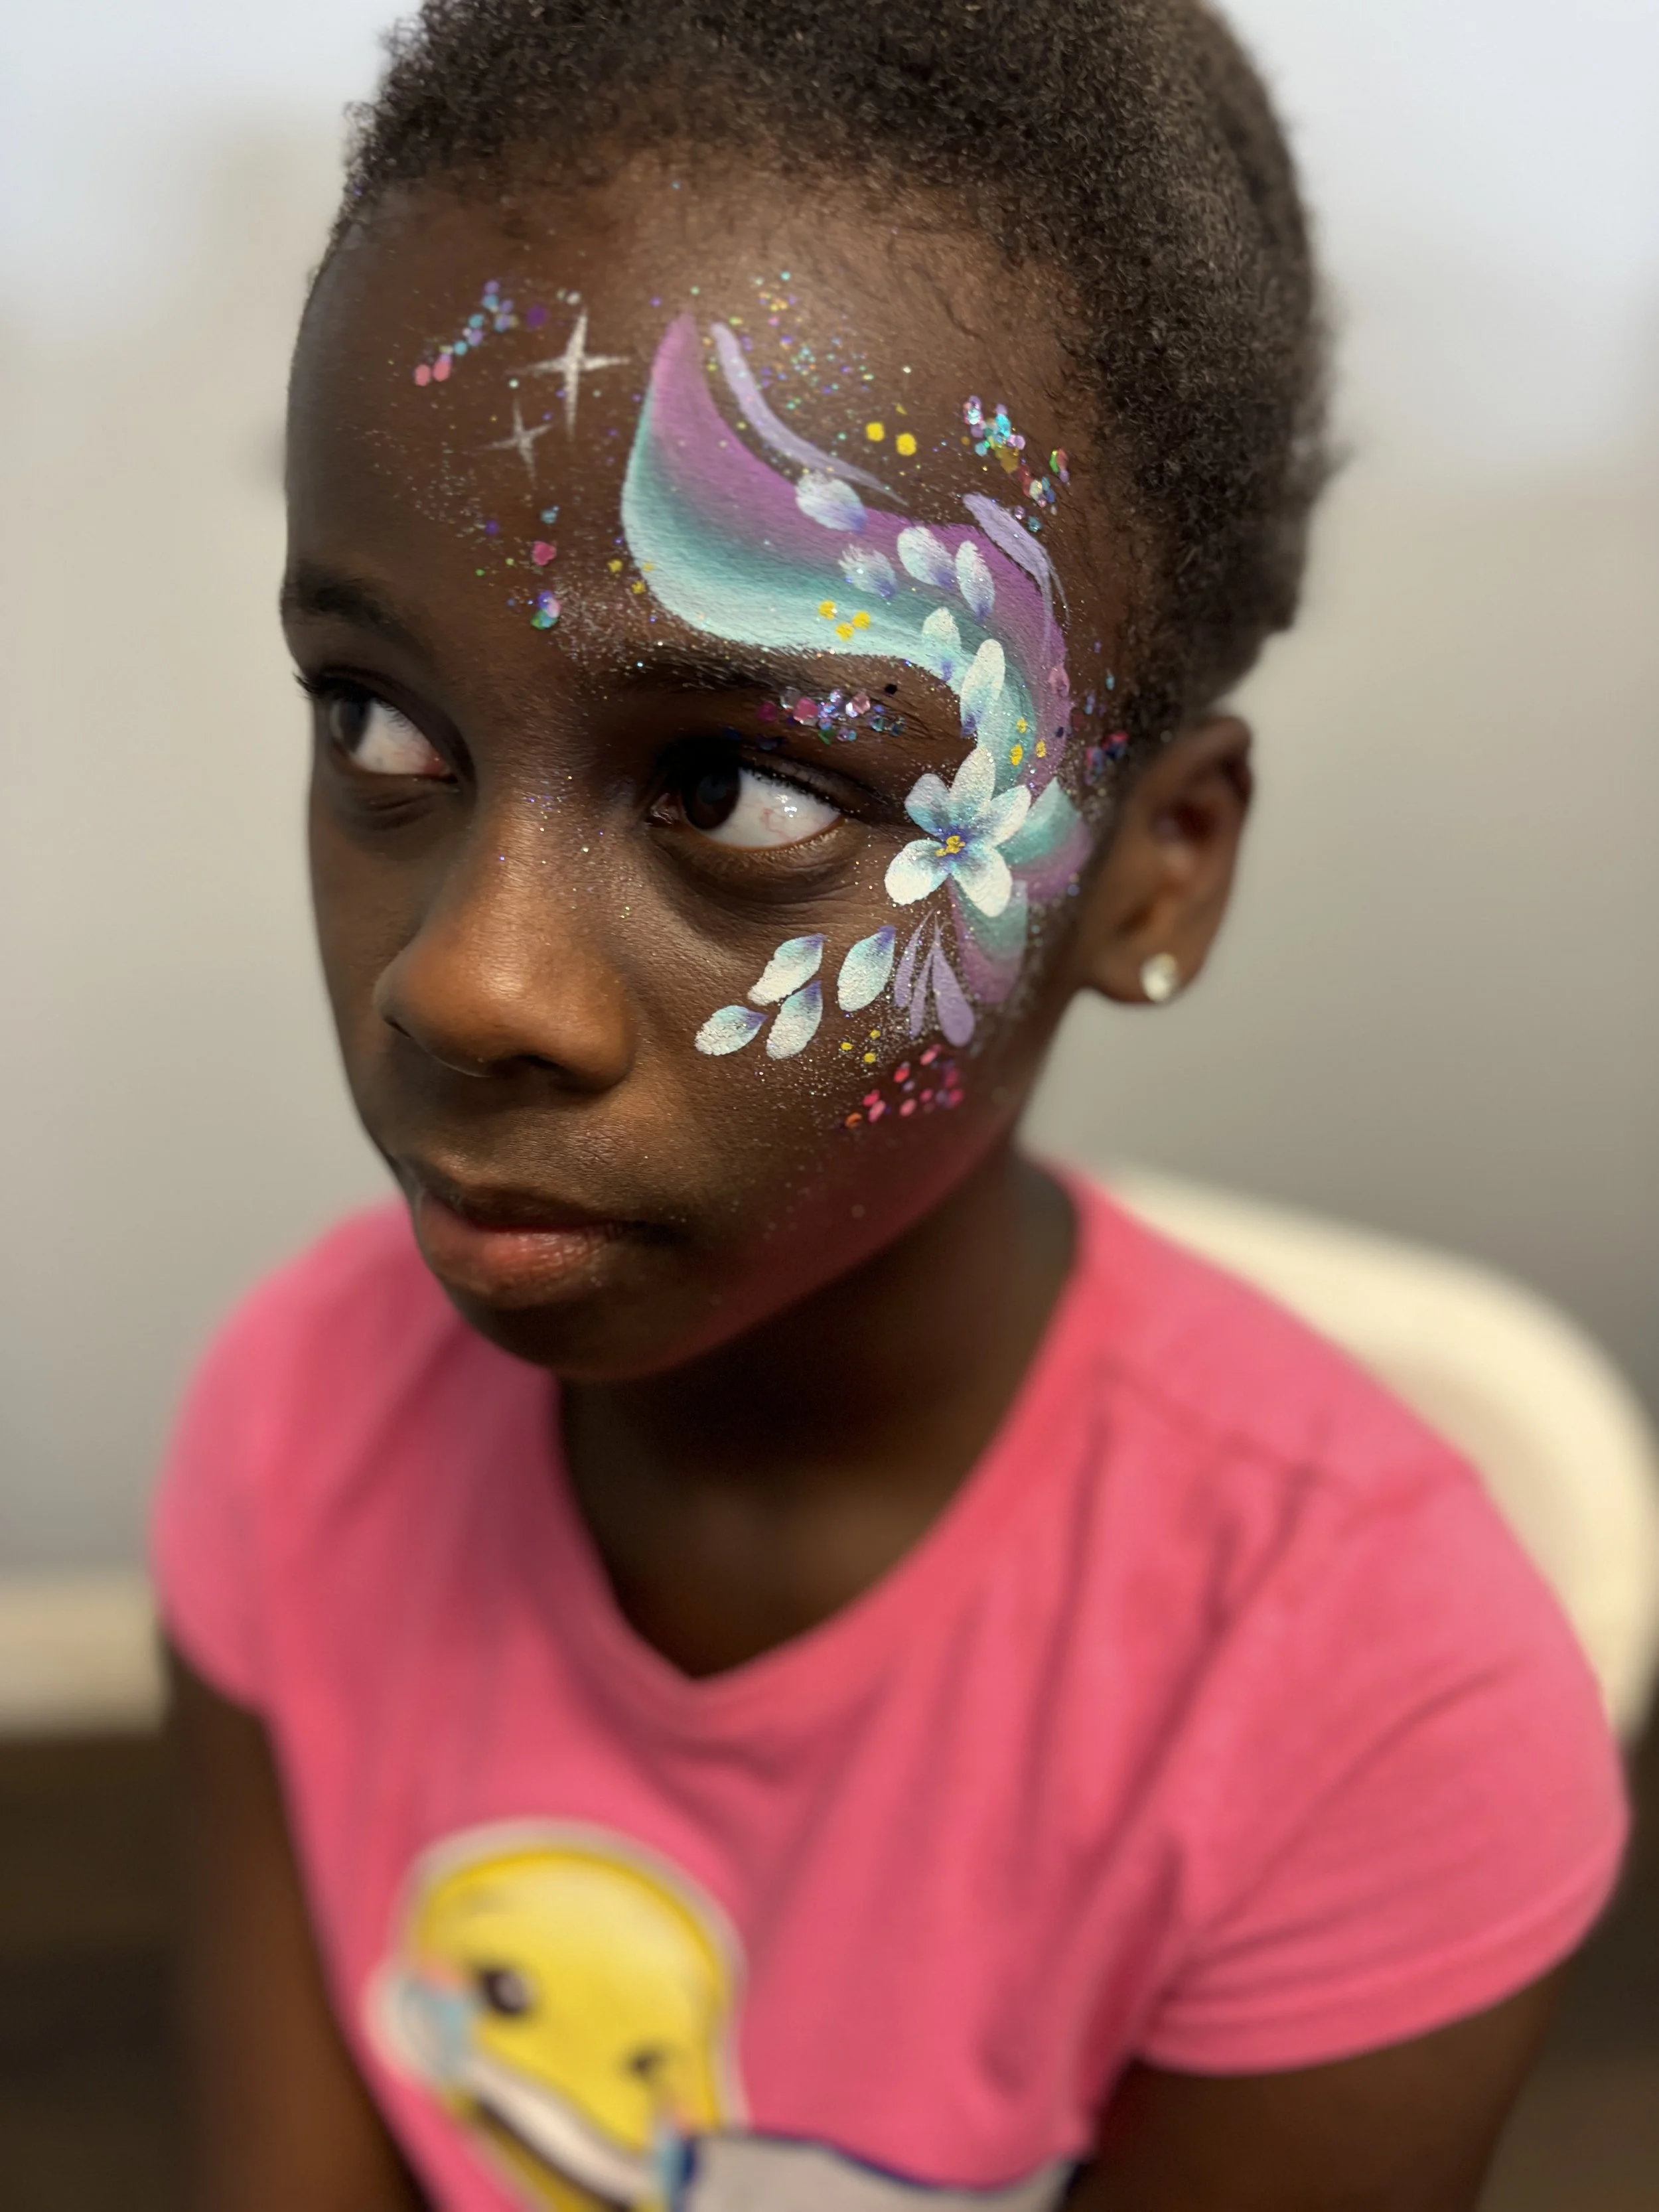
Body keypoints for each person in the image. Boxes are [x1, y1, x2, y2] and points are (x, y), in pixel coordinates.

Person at [154, 3, 1628, 2207]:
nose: (466, 975)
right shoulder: (298, 1431)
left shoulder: (1372, 1713)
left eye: (734, 783)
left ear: (1155, 868)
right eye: (379, 724)